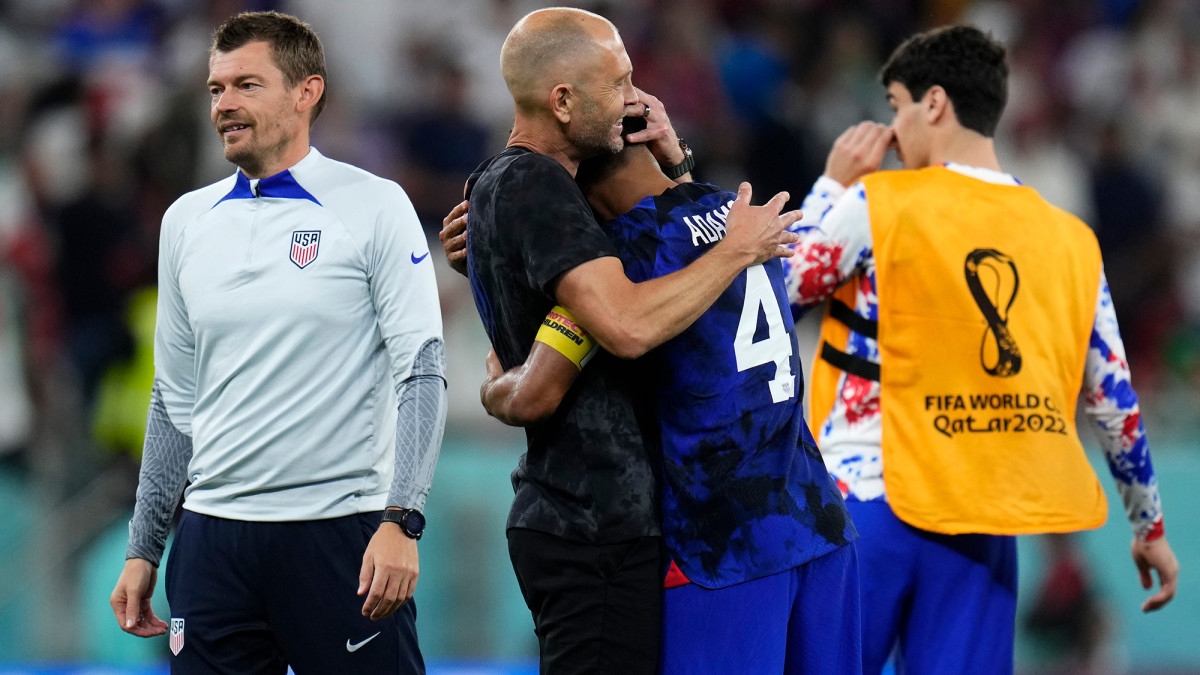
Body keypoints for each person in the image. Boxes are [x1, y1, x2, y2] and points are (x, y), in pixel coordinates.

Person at [783, 25, 1179, 674]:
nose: (893, 128)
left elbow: (775, 300)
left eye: (896, 105)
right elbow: (1113, 400)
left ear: (933, 104)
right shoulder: (1070, 239)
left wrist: (829, 186)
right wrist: (1150, 527)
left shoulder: (875, 203)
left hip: (866, 507)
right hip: (983, 523)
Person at [453, 7, 801, 673]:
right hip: (593, 524)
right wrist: (734, 249)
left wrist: (679, 172)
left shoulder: (519, 186)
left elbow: (542, 352)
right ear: (562, 100)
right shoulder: (536, 185)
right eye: (617, 84)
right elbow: (626, 323)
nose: (635, 99)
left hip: (583, 519)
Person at [107, 11, 444, 674]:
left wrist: (403, 519)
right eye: (215, 89)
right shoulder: (185, 222)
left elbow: (422, 372)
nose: (224, 104)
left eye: (245, 85)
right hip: (211, 541)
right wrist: (144, 546)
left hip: (342, 535)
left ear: (305, 91)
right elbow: (173, 397)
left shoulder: (373, 205)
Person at [478, 131, 862, 674]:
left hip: (722, 545)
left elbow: (535, 390)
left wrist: (495, 373)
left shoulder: (619, 259)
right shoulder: (737, 211)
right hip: (818, 519)